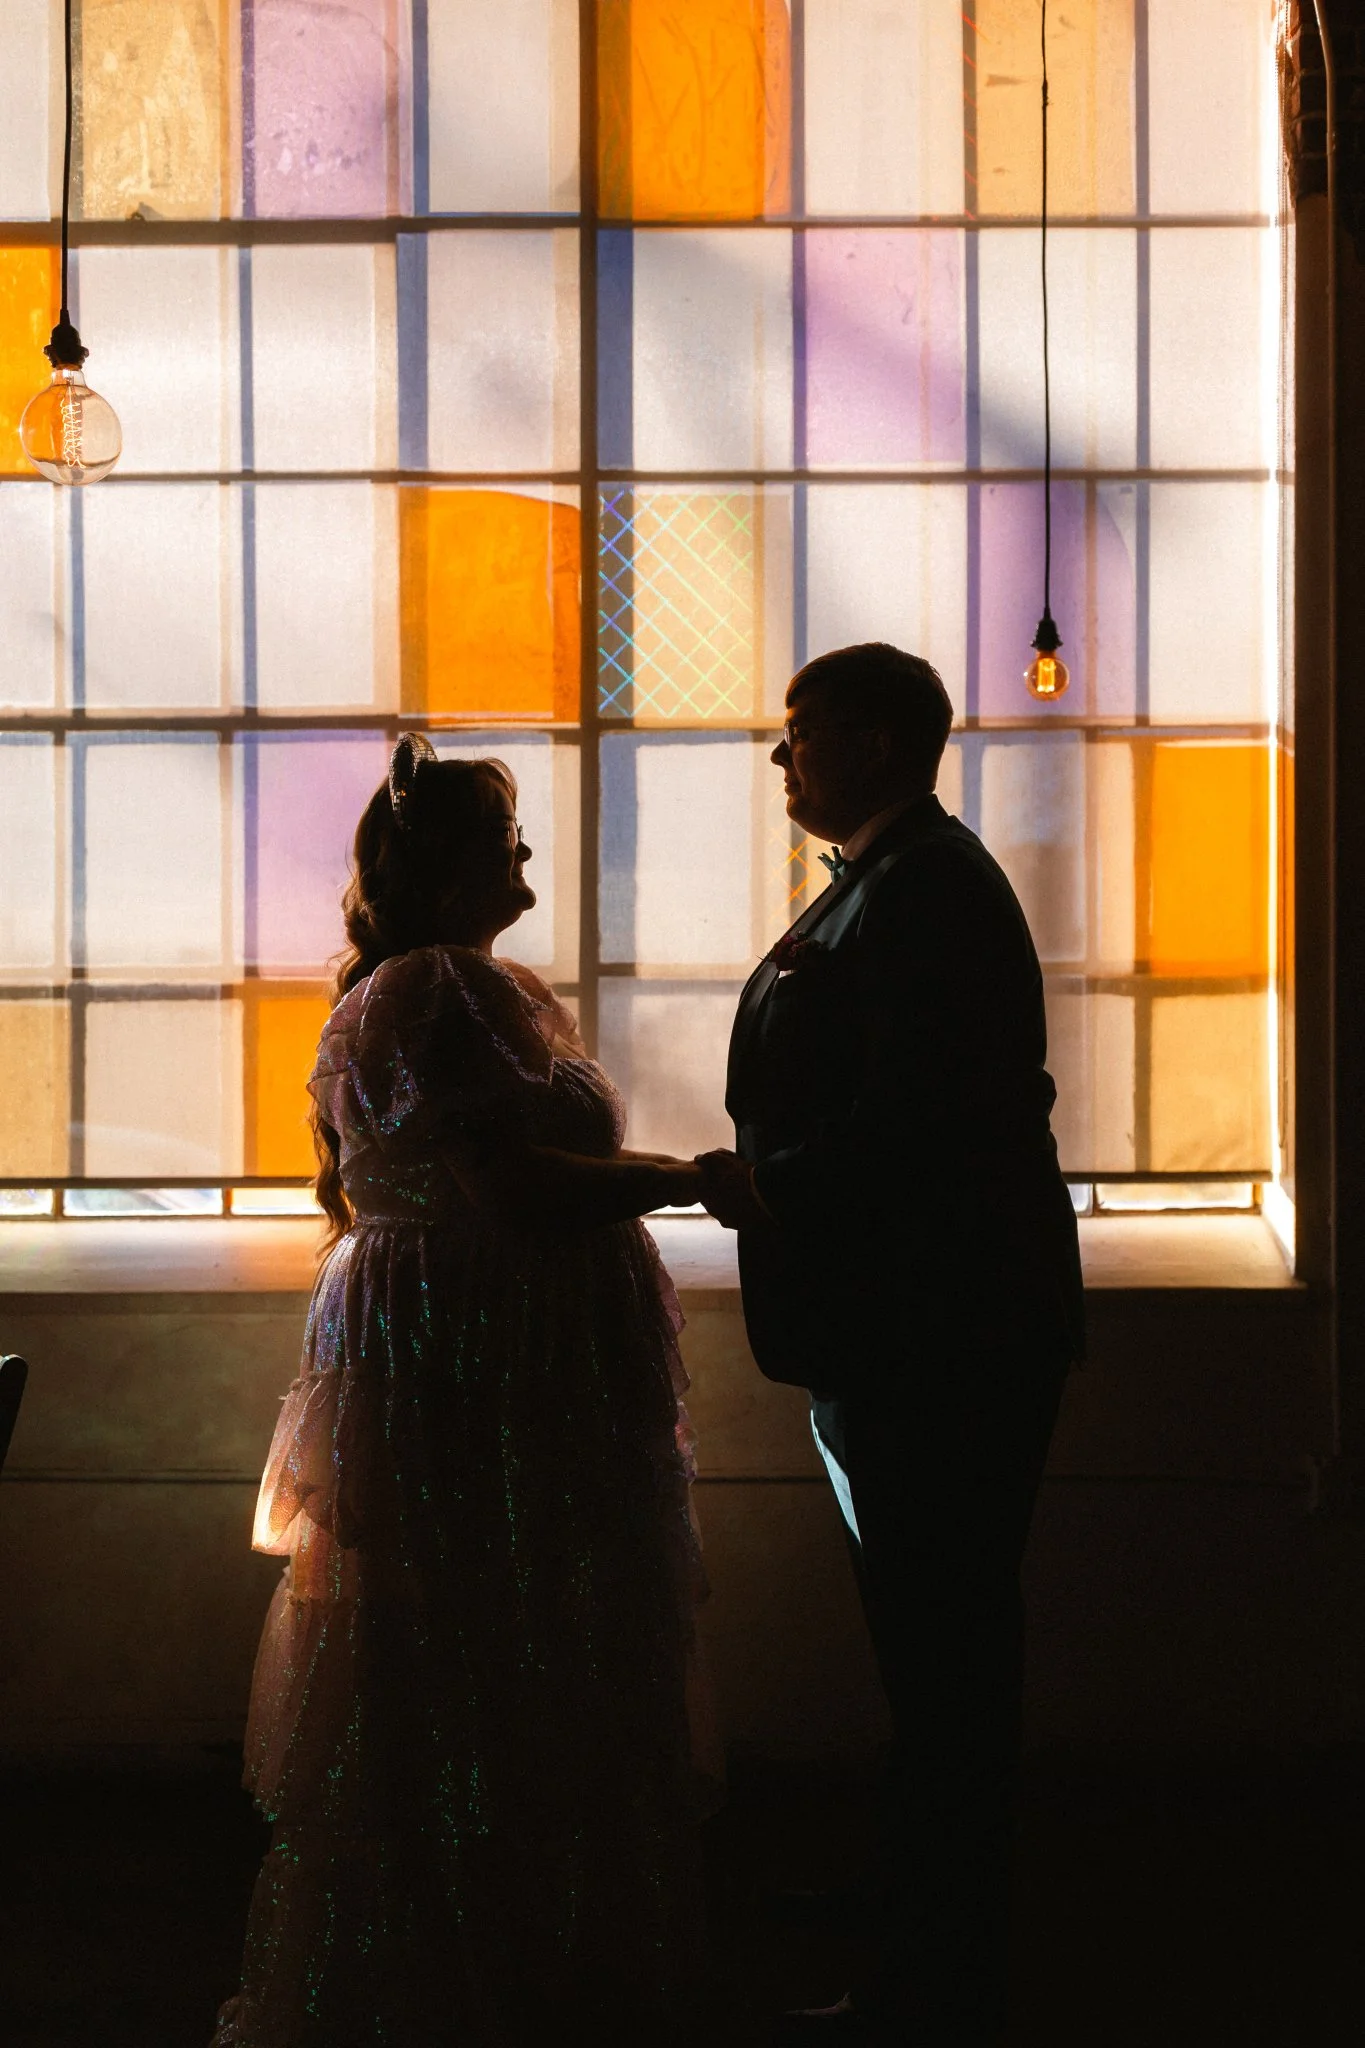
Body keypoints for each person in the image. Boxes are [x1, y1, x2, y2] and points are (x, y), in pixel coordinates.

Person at [214, 734, 709, 2048]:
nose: (526, 851)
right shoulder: (435, 989)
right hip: (476, 1357)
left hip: (492, 1343)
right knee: (491, 1639)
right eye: (501, 836)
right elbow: (514, 1187)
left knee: (495, 1638)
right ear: (442, 869)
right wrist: (685, 1178)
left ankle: (514, 1944)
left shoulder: (478, 987)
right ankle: (476, 1964)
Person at [696, 644, 1084, 2046]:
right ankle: (915, 1895)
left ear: (868, 743)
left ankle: (942, 1965)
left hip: (943, 1331)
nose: (780, 755)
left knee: (946, 1648)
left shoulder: (928, 891)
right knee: (921, 1641)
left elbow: (930, 1118)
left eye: (798, 731)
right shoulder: (890, 878)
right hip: (899, 1323)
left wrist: (771, 1188)